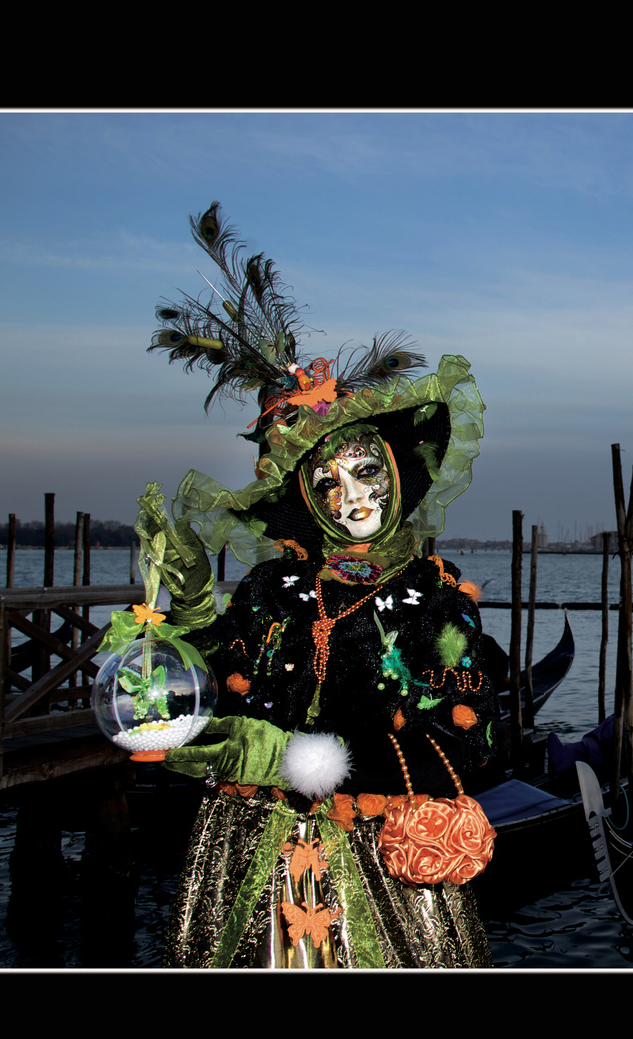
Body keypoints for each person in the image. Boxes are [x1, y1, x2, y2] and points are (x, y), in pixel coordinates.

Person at [137, 203, 495, 967]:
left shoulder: (434, 605)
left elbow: (467, 748)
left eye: (366, 471)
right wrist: (191, 609)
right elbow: (218, 688)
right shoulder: (272, 589)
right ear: (302, 496)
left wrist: (301, 759)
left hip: (377, 878)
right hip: (248, 862)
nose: (351, 497)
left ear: (400, 474)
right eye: (325, 482)